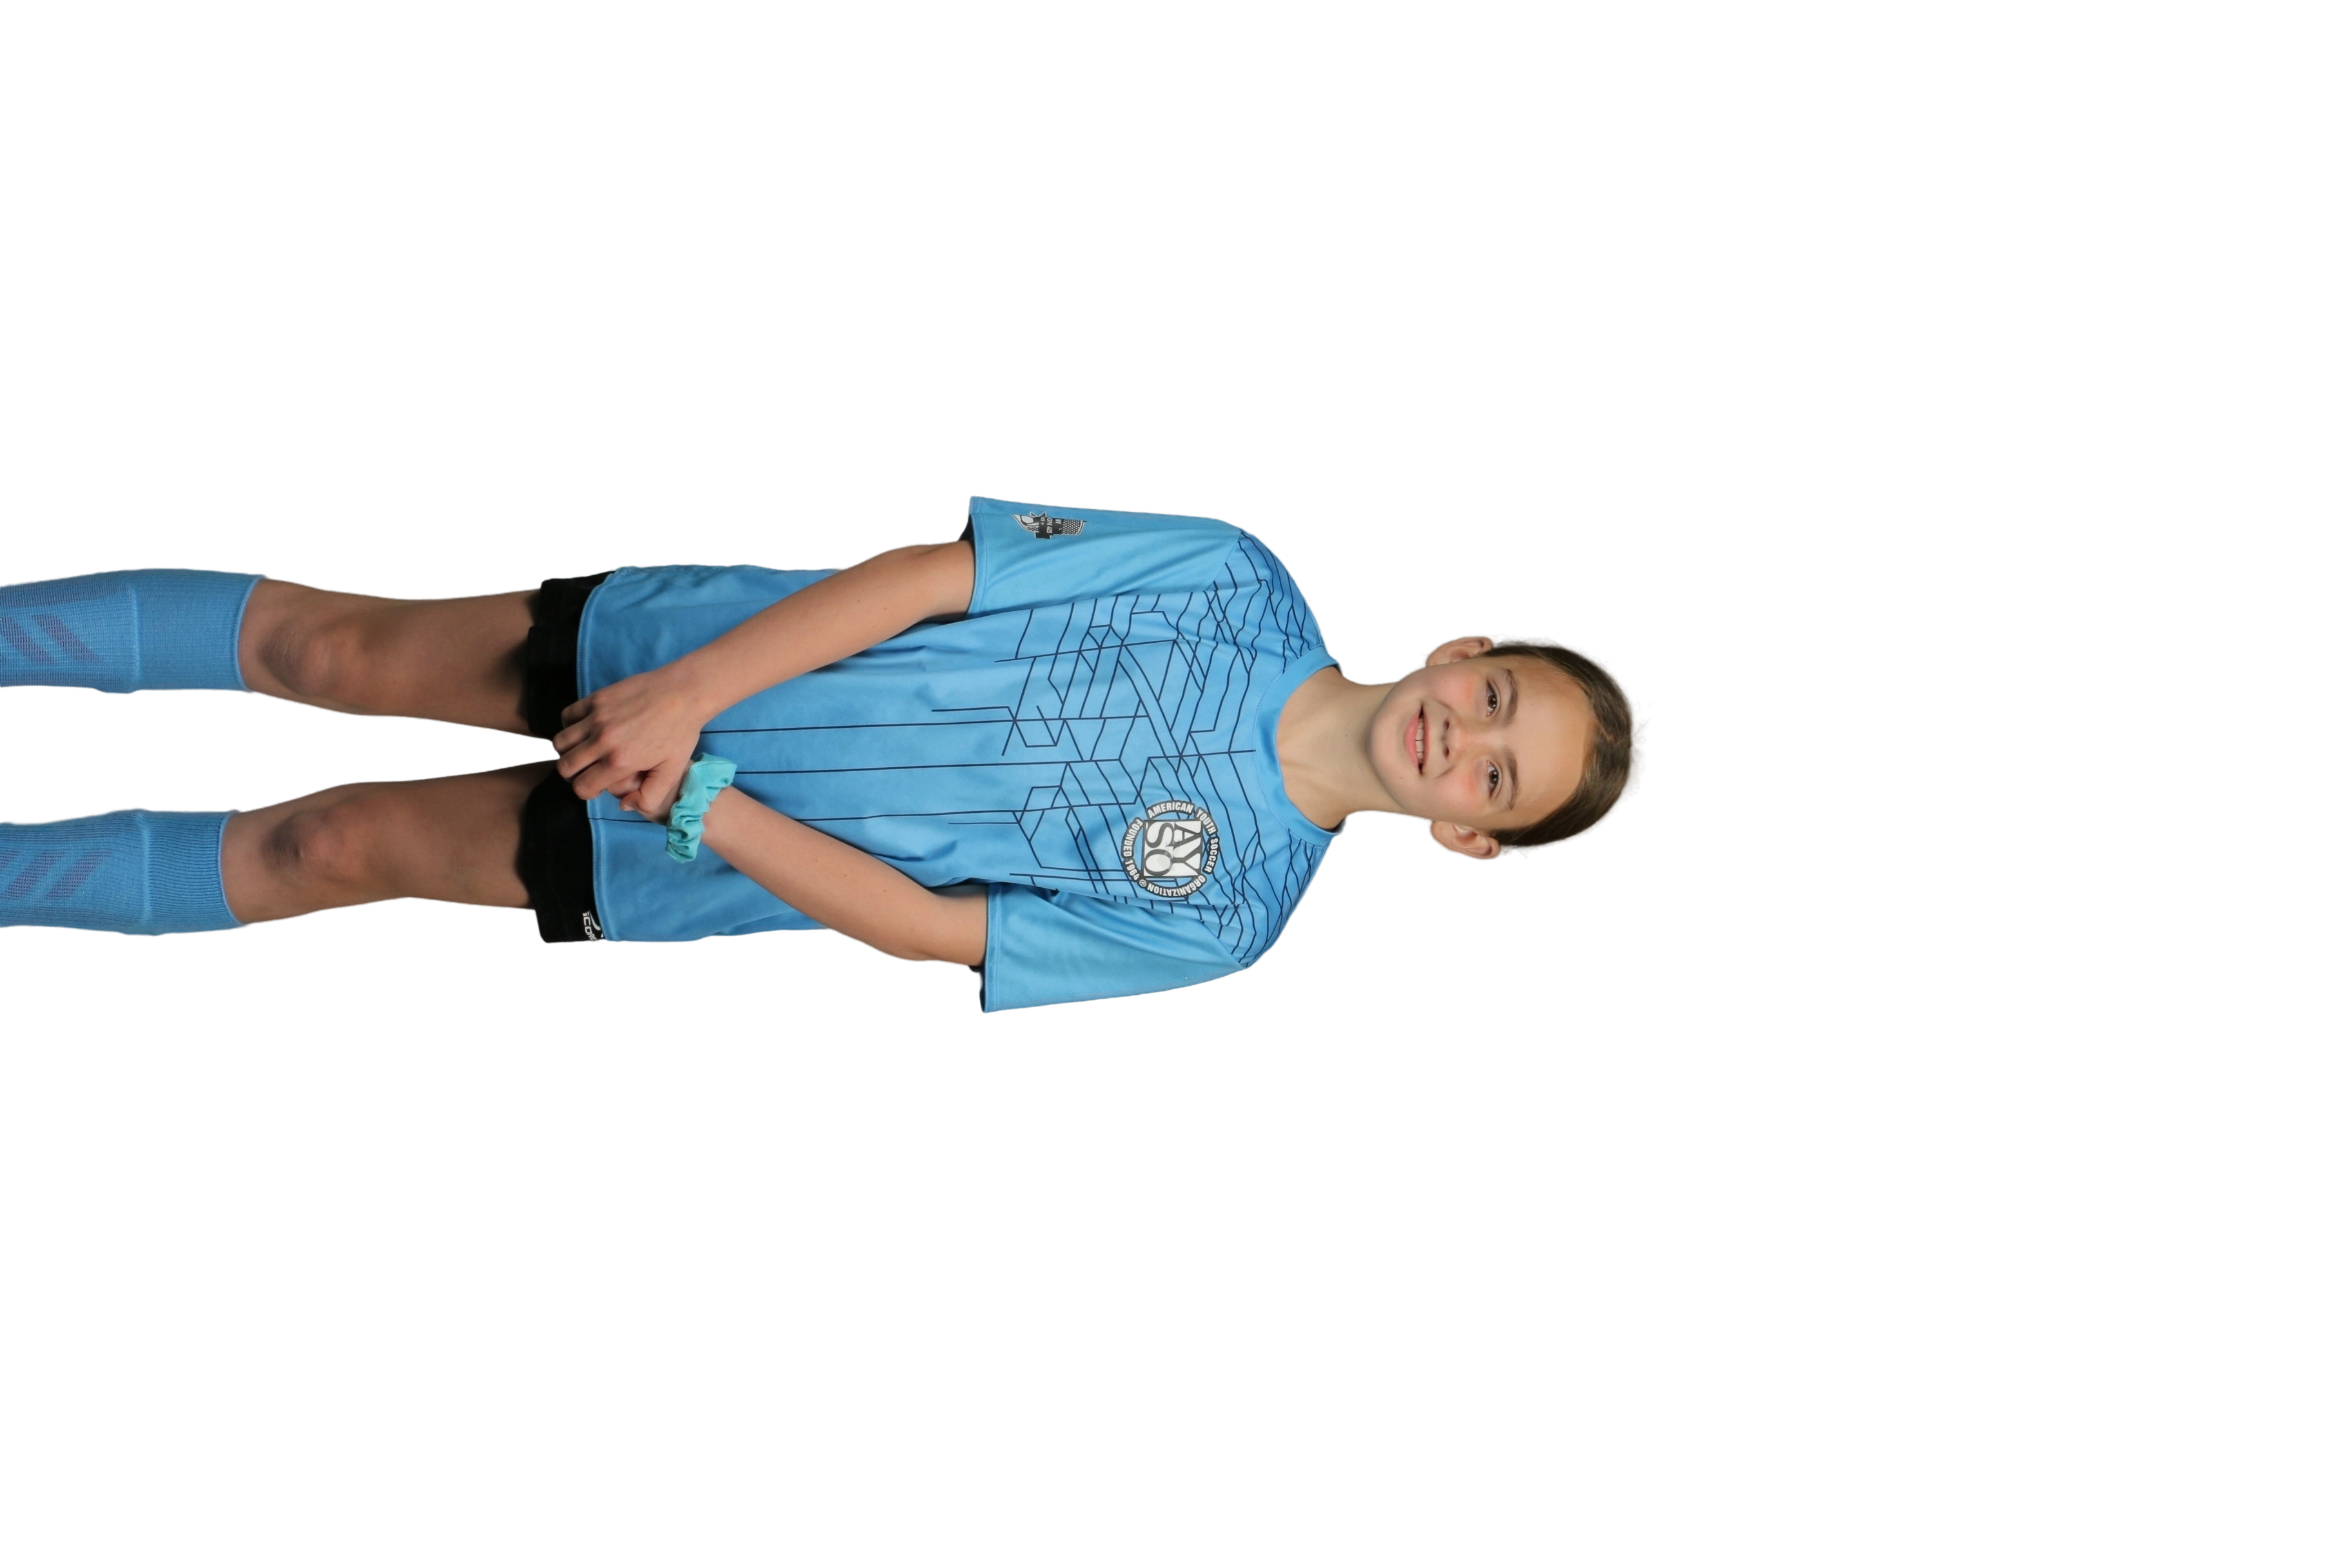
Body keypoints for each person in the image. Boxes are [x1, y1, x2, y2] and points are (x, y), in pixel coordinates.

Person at [1, 496, 1653, 1011]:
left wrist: (701, 797)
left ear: (1470, 839)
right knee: (327, 654)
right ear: (1464, 650)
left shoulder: (1228, 918)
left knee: (326, 851)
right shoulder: (1228, 574)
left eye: (1495, 778)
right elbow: (937, 576)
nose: (1465, 740)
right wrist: (686, 696)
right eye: (1499, 697)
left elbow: (938, 932)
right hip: (676, 655)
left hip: (676, 845)